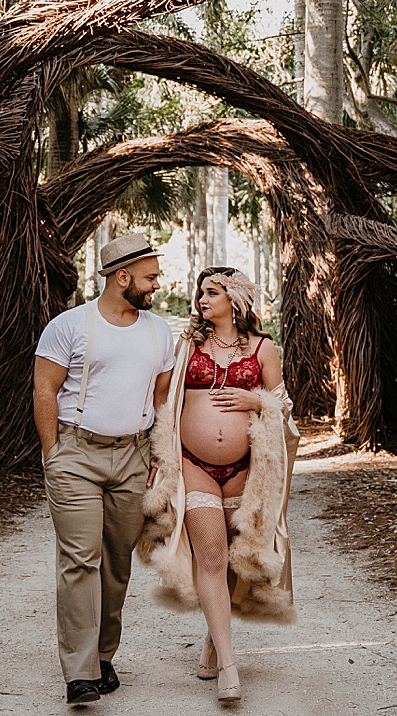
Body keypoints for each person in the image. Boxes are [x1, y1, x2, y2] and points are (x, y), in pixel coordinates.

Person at [137, 267, 299, 704]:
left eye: (212, 292)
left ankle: (215, 637)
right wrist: (159, 455)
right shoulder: (188, 345)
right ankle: (229, 666)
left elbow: (284, 406)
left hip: (246, 469)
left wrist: (255, 399)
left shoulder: (263, 348)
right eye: (201, 293)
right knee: (210, 555)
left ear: (235, 298)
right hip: (194, 465)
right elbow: (165, 400)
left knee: (232, 558)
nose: (202, 299)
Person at [34, 233, 177, 706]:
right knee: (80, 560)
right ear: (122, 277)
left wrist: (159, 456)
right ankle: (79, 674)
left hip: (134, 456)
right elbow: (44, 390)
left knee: (117, 562)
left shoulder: (160, 332)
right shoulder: (69, 326)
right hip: (76, 454)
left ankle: (102, 656)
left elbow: (161, 399)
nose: (157, 284)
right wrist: (54, 453)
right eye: (150, 277)